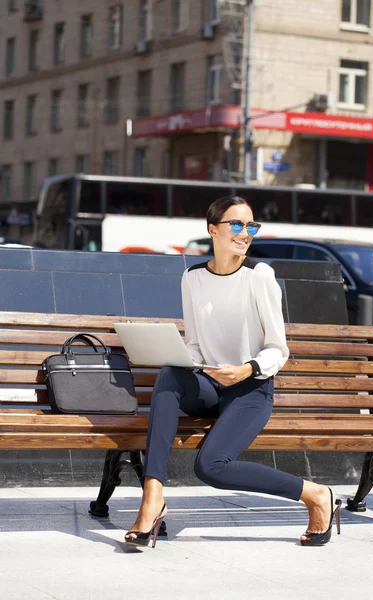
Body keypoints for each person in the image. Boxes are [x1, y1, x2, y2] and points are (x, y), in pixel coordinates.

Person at [125, 195, 341, 548]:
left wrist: (245, 370)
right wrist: (179, 356)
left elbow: (277, 349)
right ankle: (152, 498)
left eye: (251, 225)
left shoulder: (259, 276)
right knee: (168, 376)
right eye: (237, 224)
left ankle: (315, 494)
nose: (245, 232)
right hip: (209, 385)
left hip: (251, 389)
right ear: (213, 229)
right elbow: (195, 344)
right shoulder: (193, 277)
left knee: (210, 467)